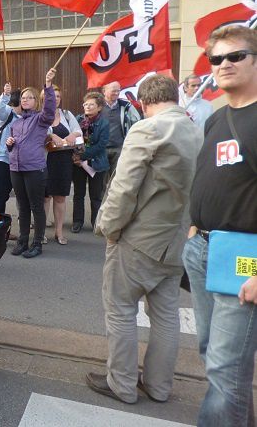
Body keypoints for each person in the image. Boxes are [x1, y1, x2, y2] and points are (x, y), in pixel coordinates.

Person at [86, 74, 203, 404]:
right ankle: (159, 385)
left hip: (139, 240)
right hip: (176, 242)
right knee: (166, 318)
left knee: (121, 310)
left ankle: (122, 384)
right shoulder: (197, 132)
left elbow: (124, 187)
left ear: (143, 102)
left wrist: (107, 228)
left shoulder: (148, 129)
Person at [182, 25, 257, 426]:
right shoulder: (217, 118)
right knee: (215, 355)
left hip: (248, 257)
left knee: (225, 370)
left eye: (235, 56)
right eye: (216, 59)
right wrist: (194, 233)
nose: (223, 65)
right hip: (204, 250)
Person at [5, 69, 57, 258]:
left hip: (34, 169)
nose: (25, 100)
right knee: (22, 206)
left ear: (36, 101)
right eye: (23, 98)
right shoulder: (16, 123)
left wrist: (48, 86)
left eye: (29, 97)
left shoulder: (41, 119)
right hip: (16, 168)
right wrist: (9, 144)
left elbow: (50, 110)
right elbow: (13, 146)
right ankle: (22, 241)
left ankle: (37, 243)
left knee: (36, 206)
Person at [42, 85, 81, 245]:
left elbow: (77, 130)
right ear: (44, 99)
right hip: (45, 160)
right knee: (45, 198)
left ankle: (58, 232)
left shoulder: (66, 114)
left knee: (60, 198)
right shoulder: (40, 116)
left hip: (64, 160)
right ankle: (41, 231)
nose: (55, 98)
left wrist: (72, 134)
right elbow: (36, 134)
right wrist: (51, 134)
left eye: (58, 96)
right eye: (52, 96)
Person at [71, 92, 110, 233]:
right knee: (78, 194)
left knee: (96, 196)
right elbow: (72, 138)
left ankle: (95, 222)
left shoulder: (104, 123)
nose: (87, 107)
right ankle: (77, 222)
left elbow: (101, 145)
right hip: (78, 164)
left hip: (97, 163)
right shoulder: (78, 119)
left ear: (99, 107)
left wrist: (82, 155)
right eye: (85, 104)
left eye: (91, 104)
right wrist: (75, 156)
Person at [0, 83, 21, 215]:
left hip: (10, 161)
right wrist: (5, 95)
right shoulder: (7, 112)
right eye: (24, 99)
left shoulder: (21, 118)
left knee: (3, 194)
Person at [101, 81, 141, 180]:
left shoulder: (126, 106)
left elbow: (137, 123)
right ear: (104, 91)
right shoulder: (97, 106)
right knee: (100, 182)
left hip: (119, 148)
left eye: (118, 91)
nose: (116, 93)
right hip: (101, 149)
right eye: (113, 90)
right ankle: (102, 196)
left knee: (117, 179)